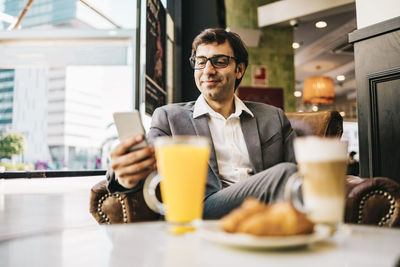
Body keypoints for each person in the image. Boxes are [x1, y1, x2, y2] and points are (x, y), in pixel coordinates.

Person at [107, 28, 297, 219]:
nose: (208, 71)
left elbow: (301, 173)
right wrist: (122, 175)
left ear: (239, 70)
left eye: (219, 61)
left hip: (264, 215)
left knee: (292, 174)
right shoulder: (169, 117)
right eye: (200, 62)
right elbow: (143, 163)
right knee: (285, 174)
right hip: (201, 211)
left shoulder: (273, 117)